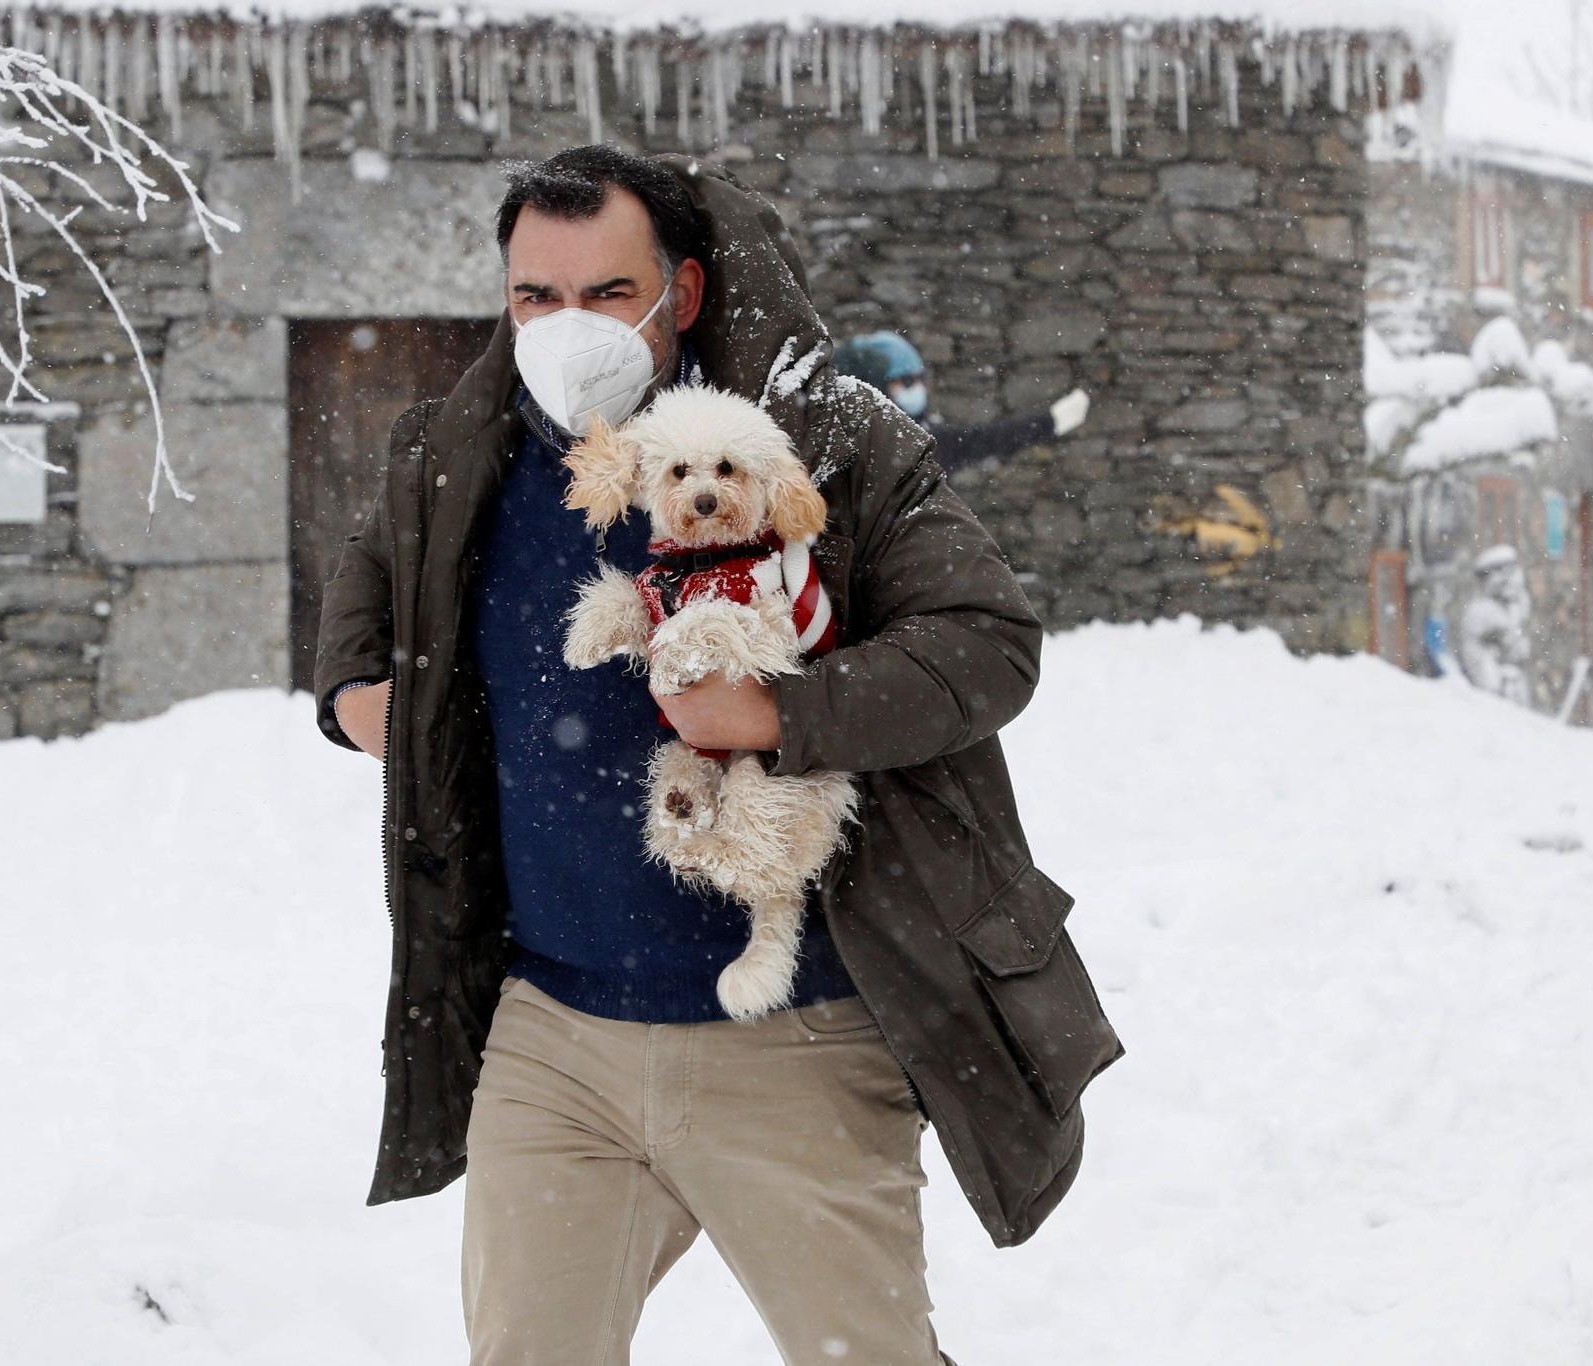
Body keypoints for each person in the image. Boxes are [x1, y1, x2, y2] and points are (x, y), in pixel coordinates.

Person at [313, 145, 1121, 1365]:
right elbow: (367, 590)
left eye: (604, 293)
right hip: (553, 1035)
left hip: (791, 1036)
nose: (563, 325)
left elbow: (987, 643)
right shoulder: (453, 449)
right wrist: (356, 698)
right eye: (534, 296)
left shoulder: (824, 442)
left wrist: (783, 712)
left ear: (681, 294)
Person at [831, 329, 1091, 472]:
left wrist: (1048, 423)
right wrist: (1048, 423)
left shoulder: (925, 436)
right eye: (907, 380)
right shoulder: (877, 445)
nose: (918, 388)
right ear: (875, 385)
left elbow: (986, 439)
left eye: (920, 377)